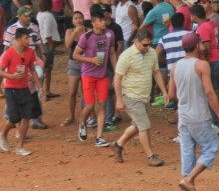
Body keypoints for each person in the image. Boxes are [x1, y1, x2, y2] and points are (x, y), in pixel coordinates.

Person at [169, 32, 219, 191]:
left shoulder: (175, 66)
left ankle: (189, 189)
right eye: (200, 43)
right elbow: (210, 91)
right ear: (196, 46)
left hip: (183, 115)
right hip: (198, 115)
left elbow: (171, 93)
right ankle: (189, 180)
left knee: (187, 150)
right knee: (211, 148)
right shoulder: (202, 65)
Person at [113, 29, 169, 167]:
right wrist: (119, 99)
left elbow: (156, 72)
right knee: (144, 125)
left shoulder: (151, 54)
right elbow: (117, 78)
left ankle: (118, 144)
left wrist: (164, 91)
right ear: (136, 41)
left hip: (144, 96)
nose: (147, 47)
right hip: (130, 96)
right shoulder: (126, 56)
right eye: (144, 45)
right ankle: (151, 156)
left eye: (149, 44)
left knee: (138, 125)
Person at [73, 9, 117, 148]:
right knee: (90, 105)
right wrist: (91, 60)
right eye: (100, 21)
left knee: (102, 105)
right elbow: (75, 55)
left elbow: (112, 53)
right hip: (88, 74)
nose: (104, 22)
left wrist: (116, 72)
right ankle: (82, 123)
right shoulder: (86, 36)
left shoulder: (110, 34)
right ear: (93, 23)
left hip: (102, 76)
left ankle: (99, 137)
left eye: (104, 20)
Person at [0, 28, 43, 156]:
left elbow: (32, 70)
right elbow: (1, 70)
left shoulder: (30, 52)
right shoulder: (9, 53)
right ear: (18, 39)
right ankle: (3, 134)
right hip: (11, 88)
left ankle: (20, 146)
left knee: (27, 116)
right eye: (26, 38)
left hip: (24, 88)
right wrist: (11, 76)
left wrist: (40, 87)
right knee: (14, 117)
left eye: (29, 37)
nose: (28, 40)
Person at [61, 11, 86, 127]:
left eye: (80, 17)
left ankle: (87, 116)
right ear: (72, 21)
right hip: (74, 64)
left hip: (86, 64)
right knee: (72, 92)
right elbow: (67, 45)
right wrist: (75, 32)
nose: (78, 20)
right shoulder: (69, 31)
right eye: (76, 18)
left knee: (86, 91)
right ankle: (71, 116)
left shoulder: (88, 31)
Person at [37, 0, 61, 100]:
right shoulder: (48, 15)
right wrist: (51, 45)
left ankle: (45, 91)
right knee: (46, 68)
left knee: (45, 68)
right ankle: (44, 92)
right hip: (47, 43)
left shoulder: (39, 14)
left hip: (42, 43)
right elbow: (47, 34)